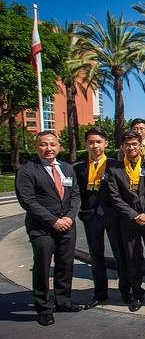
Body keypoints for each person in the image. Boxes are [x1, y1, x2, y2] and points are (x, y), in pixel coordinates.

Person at [15, 131, 83, 326]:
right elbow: (28, 201)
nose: (49, 148)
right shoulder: (27, 170)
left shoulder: (67, 169)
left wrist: (69, 218)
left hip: (67, 226)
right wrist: (53, 221)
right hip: (42, 227)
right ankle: (44, 308)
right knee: (43, 267)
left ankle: (63, 301)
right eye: (44, 145)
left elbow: (75, 195)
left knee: (65, 264)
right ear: (36, 147)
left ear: (58, 147)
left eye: (52, 144)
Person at [107, 131, 145, 312]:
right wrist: (134, 215)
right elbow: (115, 197)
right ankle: (137, 293)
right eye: (127, 144)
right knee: (132, 258)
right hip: (128, 221)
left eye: (135, 144)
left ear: (141, 145)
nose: (131, 147)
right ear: (122, 147)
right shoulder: (115, 169)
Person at [74, 128, 131, 309]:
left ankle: (126, 292)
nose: (95, 146)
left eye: (98, 142)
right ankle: (100, 293)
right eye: (91, 142)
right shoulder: (80, 168)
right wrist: (83, 212)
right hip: (91, 217)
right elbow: (77, 193)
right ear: (86, 145)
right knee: (96, 256)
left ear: (106, 143)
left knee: (120, 255)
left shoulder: (116, 165)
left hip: (113, 216)